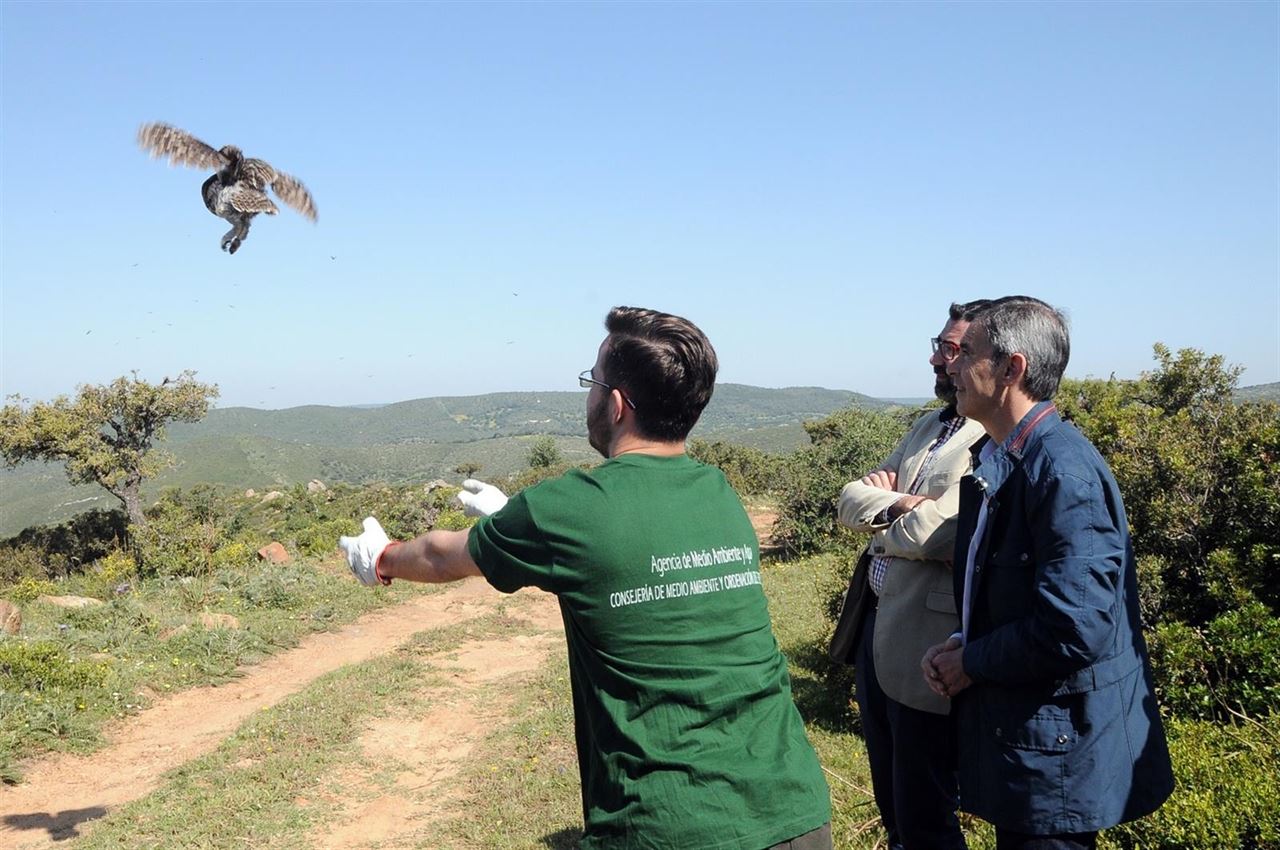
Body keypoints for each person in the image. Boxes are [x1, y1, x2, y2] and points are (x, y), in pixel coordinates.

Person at [340, 306, 832, 850]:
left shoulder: (569, 507)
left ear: (617, 405)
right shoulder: (718, 492)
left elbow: (439, 556)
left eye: (592, 381)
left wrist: (381, 557)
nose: (590, 394)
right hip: (795, 808)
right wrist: (515, 523)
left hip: (669, 824)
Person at [922, 297, 1174, 848]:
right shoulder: (1003, 458)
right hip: (1030, 742)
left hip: (1056, 760)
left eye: (966, 353)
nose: (952, 365)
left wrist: (971, 661)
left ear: (1011, 369)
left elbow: (1076, 628)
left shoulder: (1062, 472)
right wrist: (963, 640)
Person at [828, 299, 989, 850]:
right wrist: (907, 504)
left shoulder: (988, 436)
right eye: (938, 345)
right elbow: (850, 498)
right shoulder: (929, 424)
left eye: (950, 349)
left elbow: (943, 534)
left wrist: (887, 506)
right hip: (878, 629)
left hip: (929, 641)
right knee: (891, 796)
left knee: (925, 809)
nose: (936, 360)